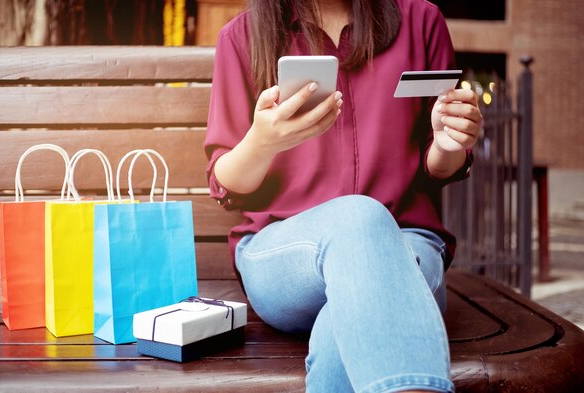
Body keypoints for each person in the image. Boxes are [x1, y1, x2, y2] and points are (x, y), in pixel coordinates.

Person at [204, 0, 482, 392]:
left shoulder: (421, 21)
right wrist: (262, 144)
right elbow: (225, 182)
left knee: (346, 325)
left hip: (405, 246)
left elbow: (437, 166)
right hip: (284, 258)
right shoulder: (241, 37)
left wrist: (450, 141)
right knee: (359, 218)